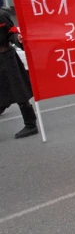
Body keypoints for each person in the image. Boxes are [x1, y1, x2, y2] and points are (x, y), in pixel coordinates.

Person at [0, 9, 39, 139]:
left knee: (19, 91)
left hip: (6, 58)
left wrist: (18, 38)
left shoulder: (2, 15)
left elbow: (12, 33)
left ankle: (30, 125)